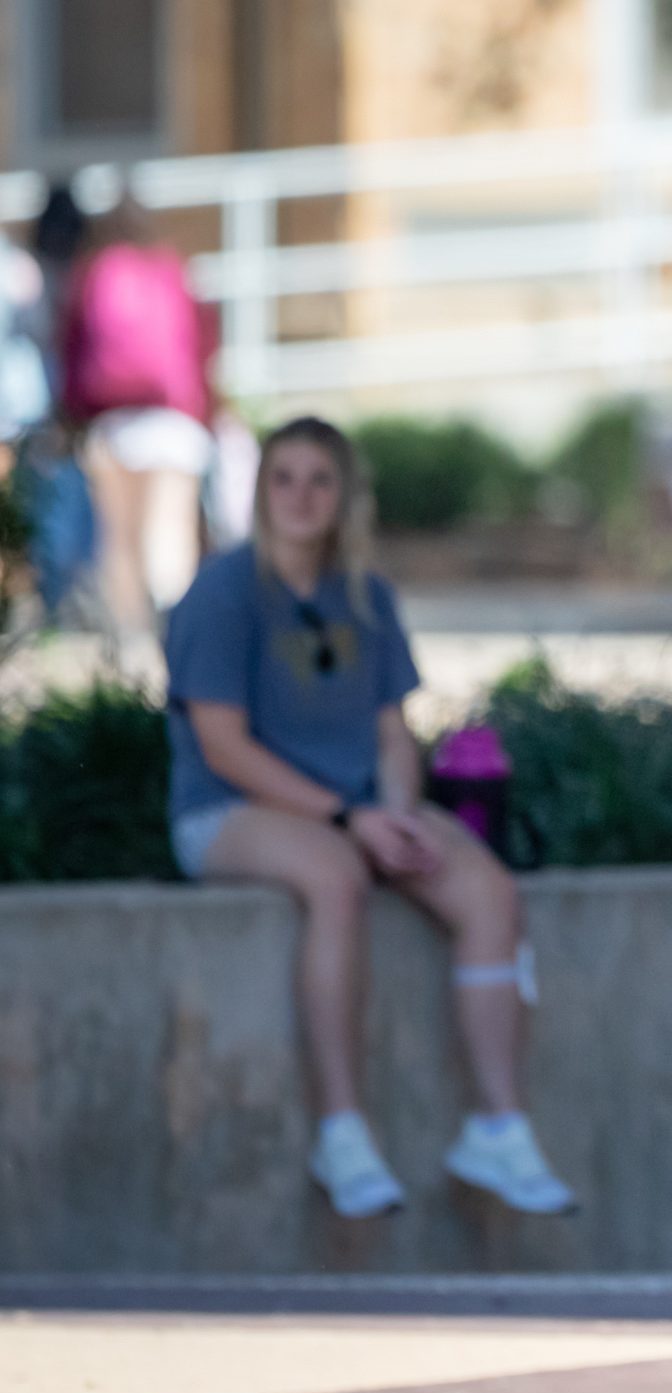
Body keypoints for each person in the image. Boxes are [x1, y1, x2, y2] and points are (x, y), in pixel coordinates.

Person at [163, 417, 575, 1221]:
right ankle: (341, 1131)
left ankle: (498, 1126)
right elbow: (223, 744)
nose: (301, 496)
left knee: (488, 891)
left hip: (359, 807)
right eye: (284, 477)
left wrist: (394, 808)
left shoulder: (368, 594)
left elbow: (392, 730)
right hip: (234, 809)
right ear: (260, 489)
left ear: (345, 493)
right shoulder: (222, 591)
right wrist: (352, 818)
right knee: (335, 877)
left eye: (320, 478)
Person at [60, 198, 216, 662]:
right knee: (169, 532)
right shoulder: (173, 270)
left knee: (120, 540)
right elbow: (203, 346)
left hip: (111, 423)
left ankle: (131, 643)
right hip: (171, 422)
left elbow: (70, 349)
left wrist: (71, 417)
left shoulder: (93, 272)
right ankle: (177, 635)